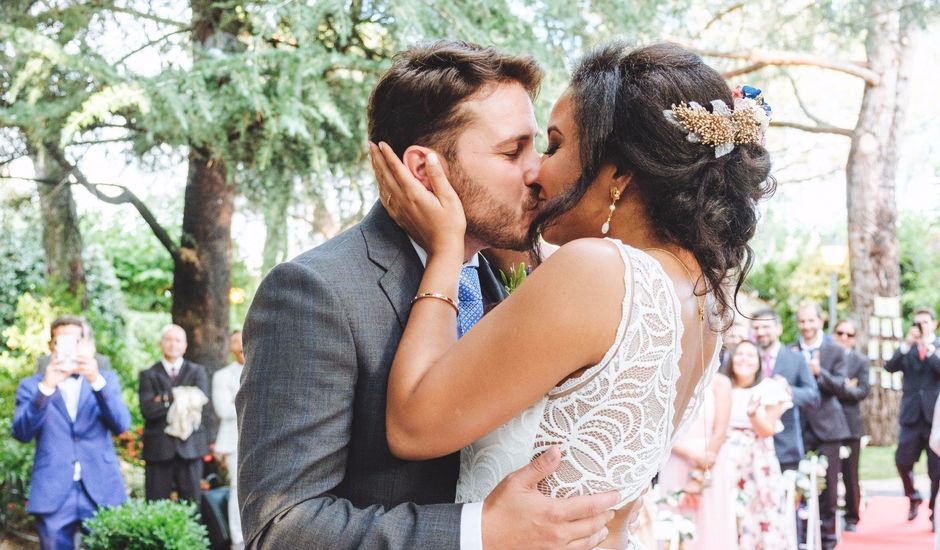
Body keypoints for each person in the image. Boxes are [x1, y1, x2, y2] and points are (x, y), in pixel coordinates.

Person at [370, 41, 774, 549]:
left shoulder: (598, 272)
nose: (536, 170)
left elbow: (412, 425)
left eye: (555, 145)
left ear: (620, 174)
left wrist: (447, 249)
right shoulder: (701, 293)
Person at [237, 40, 619, 550]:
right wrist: (476, 531)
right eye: (512, 152)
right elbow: (282, 528)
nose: (538, 173)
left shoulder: (508, 281)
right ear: (423, 170)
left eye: (539, 147)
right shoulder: (314, 293)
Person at [12, 316, 131, 549]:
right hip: (52, 492)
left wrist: (95, 380)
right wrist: (46, 388)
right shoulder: (32, 385)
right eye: (61, 341)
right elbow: (22, 433)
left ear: (86, 344)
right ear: (51, 346)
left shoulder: (105, 380)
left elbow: (121, 425)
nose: (69, 346)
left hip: (101, 488)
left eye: (75, 340)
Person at [718, 341, 795, 549]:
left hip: (755, 459)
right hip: (725, 458)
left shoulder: (770, 388)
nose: (744, 359)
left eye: (750, 355)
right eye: (740, 354)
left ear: (759, 362)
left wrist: (753, 413)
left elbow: (767, 430)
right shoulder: (720, 387)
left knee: (759, 509)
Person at [790, 302, 849, 550]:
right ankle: (801, 536)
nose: (806, 326)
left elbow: (841, 386)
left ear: (820, 321)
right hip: (799, 426)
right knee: (797, 483)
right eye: (802, 321)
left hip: (829, 426)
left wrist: (819, 373)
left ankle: (827, 538)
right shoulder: (790, 350)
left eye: (811, 321)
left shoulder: (835, 350)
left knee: (829, 488)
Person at [658, 373, 735, 550]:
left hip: (710, 464)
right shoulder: (670, 378)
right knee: (673, 520)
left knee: (711, 524)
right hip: (676, 459)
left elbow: (720, 431)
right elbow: (660, 429)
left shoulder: (720, 382)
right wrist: (690, 453)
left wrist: (699, 474)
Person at [139, 324, 210, 503]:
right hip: (158, 449)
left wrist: (163, 398)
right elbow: (148, 410)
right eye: (168, 340)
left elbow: (200, 402)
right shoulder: (148, 374)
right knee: (156, 506)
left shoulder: (197, 371)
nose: (173, 344)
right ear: (161, 343)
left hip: (190, 447)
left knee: (193, 506)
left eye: (178, 340)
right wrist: (182, 396)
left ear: (185, 345)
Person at [885, 307, 940, 523]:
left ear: (934, 324)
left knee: (936, 469)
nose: (921, 327)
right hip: (911, 416)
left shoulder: (937, 346)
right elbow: (890, 366)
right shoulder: (907, 348)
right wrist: (908, 344)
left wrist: (928, 347)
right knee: (902, 460)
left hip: (934, 418)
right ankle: (913, 496)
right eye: (917, 323)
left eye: (925, 322)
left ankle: (935, 509)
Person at [751, 308, 821, 471]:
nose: (761, 332)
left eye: (766, 327)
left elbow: (813, 396)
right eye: (756, 328)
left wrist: (789, 390)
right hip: (751, 446)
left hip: (786, 446)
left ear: (778, 328)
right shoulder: (746, 358)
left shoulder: (796, 359)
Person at [831, 318, 870, 532]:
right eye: (840, 333)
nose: (844, 337)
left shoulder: (860, 361)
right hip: (827, 423)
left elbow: (863, 391)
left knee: (850, 473)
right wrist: (845, 385)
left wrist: (840, 388)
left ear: (854, 339)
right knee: (827, 471)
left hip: (851, 424)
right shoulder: (826, 357)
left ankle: (852, 517)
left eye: (849, 334)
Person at [213, 330, 245, 550]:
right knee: (237, 488)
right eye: (237, 341)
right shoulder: (222, 376)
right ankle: (238, 539)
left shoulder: (264, 369)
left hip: (261, 440)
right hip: (234, 440)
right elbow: (223, 409)